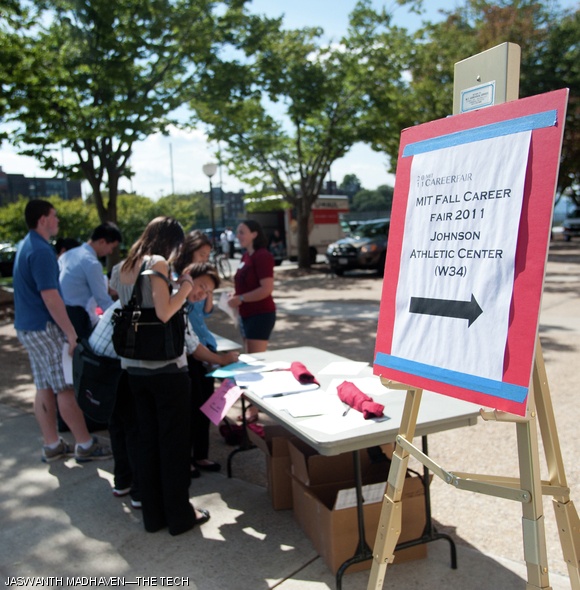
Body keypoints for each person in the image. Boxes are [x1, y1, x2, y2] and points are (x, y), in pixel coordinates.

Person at [109, 216, 210, 535]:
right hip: (166, 369)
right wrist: (185, 288)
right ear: (171, 242)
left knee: (147, 443)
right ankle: (180, 515)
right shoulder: (157, 262)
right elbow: (165, 312)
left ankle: (153, 516)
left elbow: (120, 297)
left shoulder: (122, 265)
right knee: (174, 444)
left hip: (133, 369)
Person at [13, 199, 112, 463]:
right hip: (45, 327)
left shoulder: (26, 245)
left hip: (28, 327)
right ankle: (84, 444)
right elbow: (51, 296)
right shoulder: (42, 250)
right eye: (54, 216)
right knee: (65, 387)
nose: (57, 221)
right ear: (43, 219)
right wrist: (70, 333)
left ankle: (52, 444)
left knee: (44, 385)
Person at [172, 234, 240, 477]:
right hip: (189, 357)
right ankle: (187, 458)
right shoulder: (176, 290)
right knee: (188, 410)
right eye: (201, 255)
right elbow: (189, 343)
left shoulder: (196, 288)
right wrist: (221, 360)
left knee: (205, 406)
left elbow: (205, 314)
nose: (202, 292)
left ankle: (200, 455)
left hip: (204, 351)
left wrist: (207, 289)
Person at [88, 300, 141, 509]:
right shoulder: (138, 307)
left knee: (118, 426)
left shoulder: (121, 302)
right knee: (133, 430)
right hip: (116, 370)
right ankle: (138, 491)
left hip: (102, 368)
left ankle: (122, 482)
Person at [228, 220, 276, 423]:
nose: (238, 236)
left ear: (255, 234)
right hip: (246, 315)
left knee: (254, 364)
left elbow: (266, 289)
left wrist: (241, 298)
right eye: (237, 232)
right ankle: (253, 406)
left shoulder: (263, 256)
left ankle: (254, 409)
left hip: (260, 315)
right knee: (249, 361)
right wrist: (236, 295)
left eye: (242, 232)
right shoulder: (247, 256)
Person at [59, 222, 122, 339]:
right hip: (76, 319)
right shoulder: (91, 263)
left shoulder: (67, 255)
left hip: (58, 317)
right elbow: (103, 300)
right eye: (111, 247)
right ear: (102, 241)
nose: (110, 252)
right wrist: (123, 318)